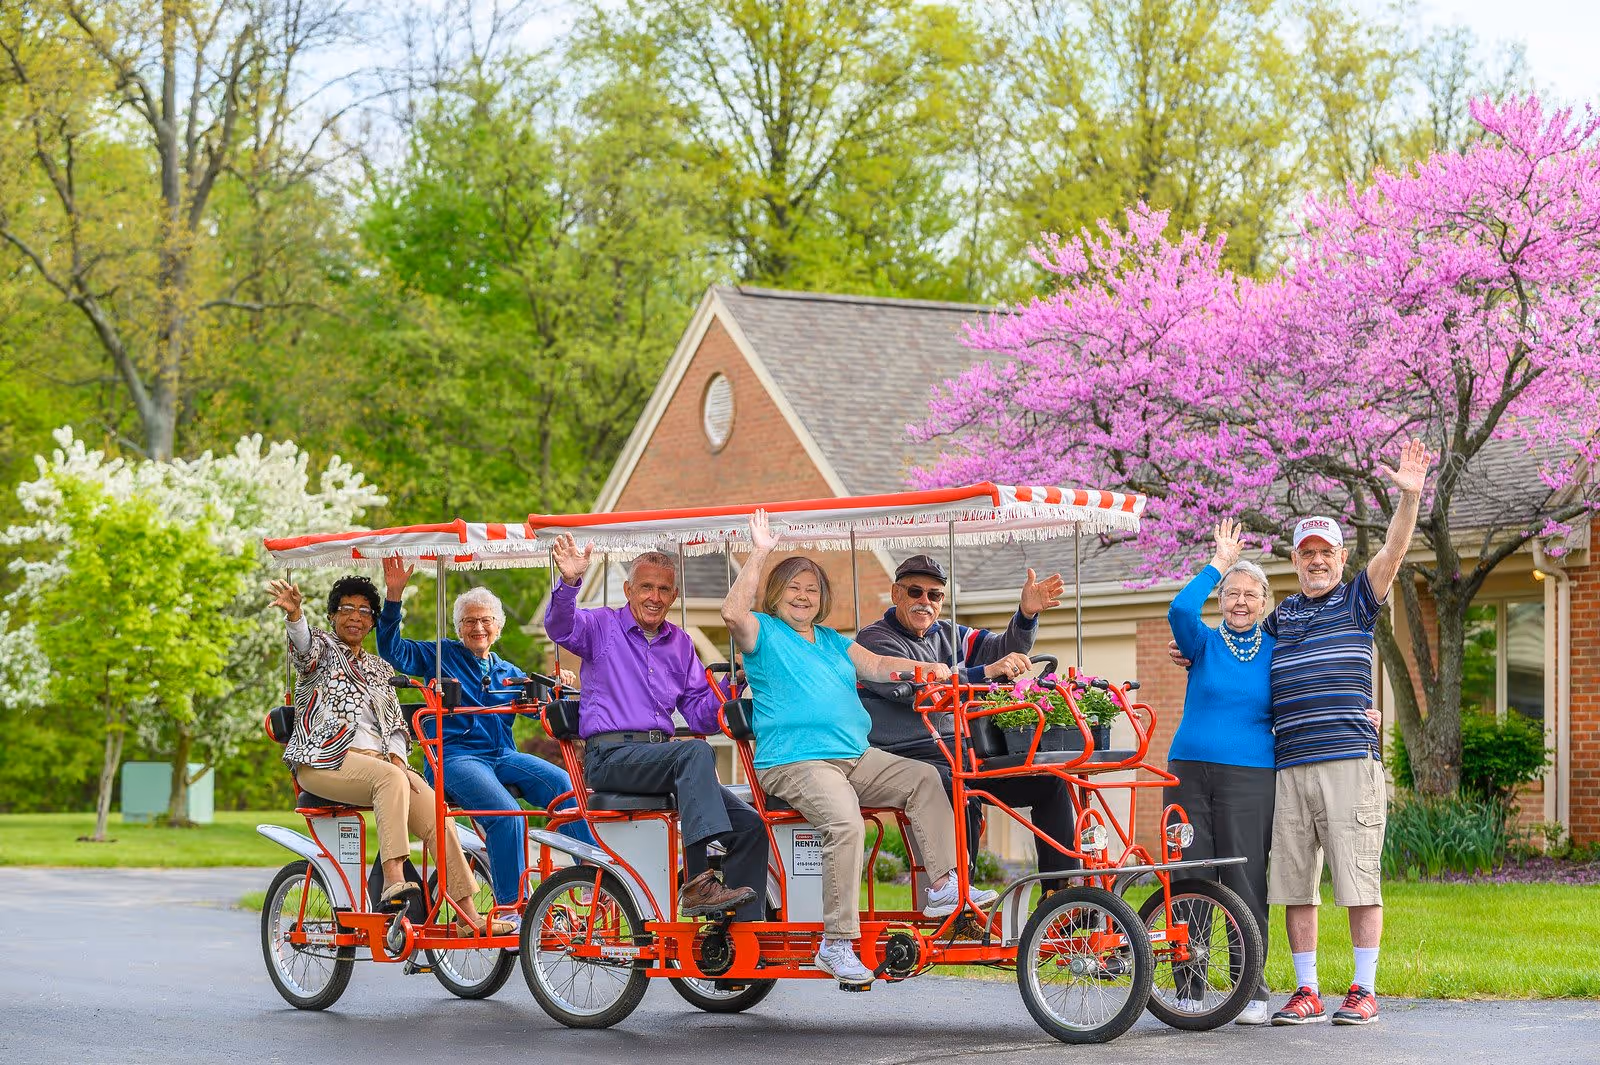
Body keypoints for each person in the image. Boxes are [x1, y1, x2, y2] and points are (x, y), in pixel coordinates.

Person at [722, 510, 998, 987]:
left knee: (924, 777)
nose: (803, 596)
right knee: (845, 820)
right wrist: (761, 550)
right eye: (793, 587)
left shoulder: (831, 640)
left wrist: (924, 672)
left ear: (822, 598)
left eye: (811, 589)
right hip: (795, 761)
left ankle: (943, 887)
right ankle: (837, 942)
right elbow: (731, 613)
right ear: (775, 594)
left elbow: (875, 665)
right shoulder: (762, 633)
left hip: (852, 757)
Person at [1262, 440, 1429, 1027]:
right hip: (1290, 766)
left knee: (1358, 880)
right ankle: (1307, 992)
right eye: (1306, 553)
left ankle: (1363, 989)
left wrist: (1409, 498)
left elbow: (1395, 550)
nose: (1316, 561)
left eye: (1325, 552)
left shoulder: (1357, 599)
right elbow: (1241, 656)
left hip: (1347, 764)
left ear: (1338, 556)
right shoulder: (1278, 616)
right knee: (1296, 884)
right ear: (1295, 559)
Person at [268, 574, 506, 935]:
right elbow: (302, 646)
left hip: (377, 765)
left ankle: (467, 914)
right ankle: (393, 877)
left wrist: (396, 756)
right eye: (347, 608)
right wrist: (295, 615)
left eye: (364, 611)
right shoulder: (320, 650)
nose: (355, 617)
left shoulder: (380, 669)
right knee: (392, 777)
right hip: (322, 761)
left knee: (436, 811)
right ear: (333, 615)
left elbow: (396, 724)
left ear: (372, 622)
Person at [544, 536, 766, 922]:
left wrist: (732, 686)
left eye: (663, 589)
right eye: (646, 586)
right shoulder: (601, 626)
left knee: (750, 826)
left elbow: (698, 714)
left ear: (674, 595)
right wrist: (569, 584)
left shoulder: (679, 643)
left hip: (662, 762)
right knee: (694, 752)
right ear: (629, 589)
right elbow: (559, 628)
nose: (654, 596)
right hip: (611, 758)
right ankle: (698, 883)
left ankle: (739, 942)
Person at [378, 559, 596, 927]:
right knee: (507, 814)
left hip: (502, 755)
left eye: (485, 621)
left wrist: (560, 686)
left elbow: (543, 712)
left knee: (563, 787)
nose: (478, 627)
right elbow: (392, 650)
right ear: (459, 627)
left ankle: (592, 875)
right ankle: (512, 906)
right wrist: (395, 595)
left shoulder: (507, 671)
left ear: (498, 627)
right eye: (469, 621)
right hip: (456, 758)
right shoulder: (440, 656)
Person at [855, 553, 1082, 890]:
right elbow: (924, 690)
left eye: (935, 595)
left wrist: (1026, 615)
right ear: (896, 594)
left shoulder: (950, 633)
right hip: (907, 754)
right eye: (915, 592)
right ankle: (960, 906)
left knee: (1049, 782)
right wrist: (985, 672)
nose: (925, 602)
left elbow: (1000, 649)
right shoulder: (874, 642)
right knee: (959, 786)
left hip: (959, 750)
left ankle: (1060, 898)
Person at [1165, 519, 1277, 1024]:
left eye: (1251, 595)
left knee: (1243, 876)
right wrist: (1219, 563)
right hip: (1188, 771)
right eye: (1233, 593)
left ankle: (1249, 987)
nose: (1240, 602)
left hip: (1251, 776)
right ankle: (1188, 984)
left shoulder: (1278, 651)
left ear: (1264, 602)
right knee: (1189, 873)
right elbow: (1179, 608)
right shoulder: (1201, 644)